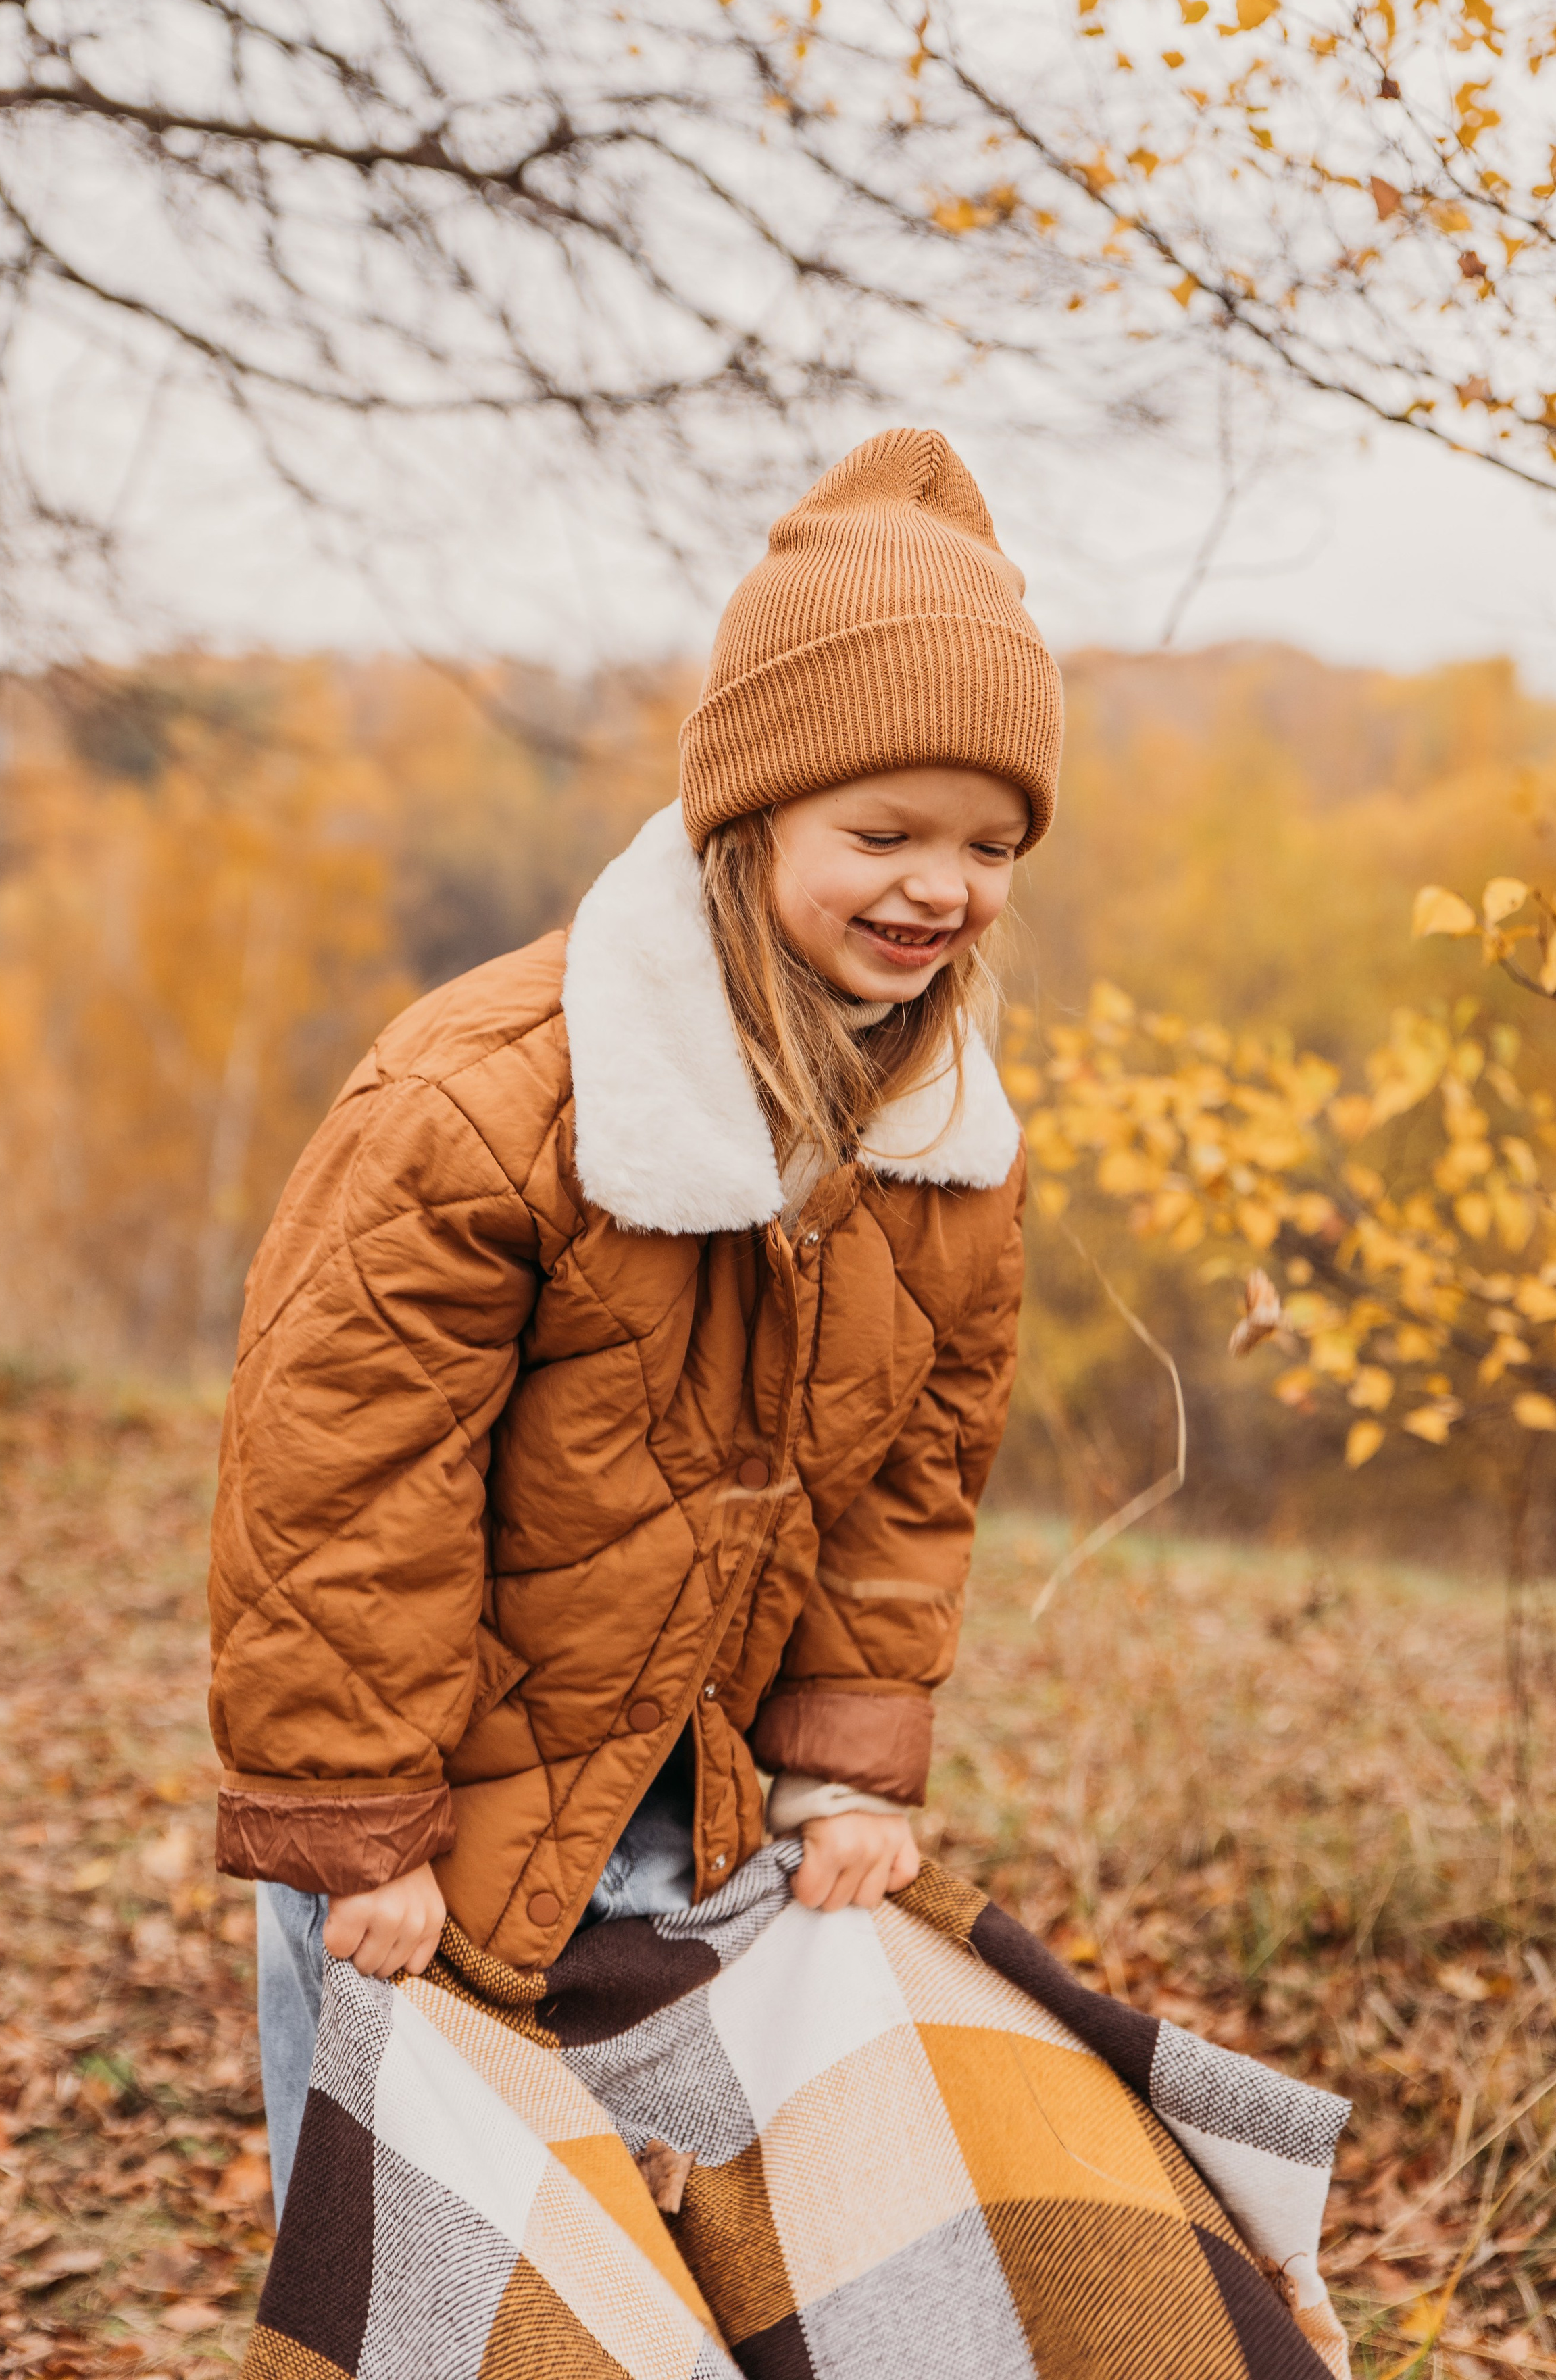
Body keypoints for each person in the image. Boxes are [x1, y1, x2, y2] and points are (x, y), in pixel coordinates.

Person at [208, 425, 1057, 2218]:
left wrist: (844, 1763)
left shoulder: (946, 1153)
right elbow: (348, 1473)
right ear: (748, 820)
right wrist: (359, 1822)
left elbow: (912, 1483)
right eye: (884, 832)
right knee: (413, 2273)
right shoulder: (492, 1097)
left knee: (660, 2275)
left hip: (701, 1812)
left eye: (990, 845)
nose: (941, 887)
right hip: (430, 1812)